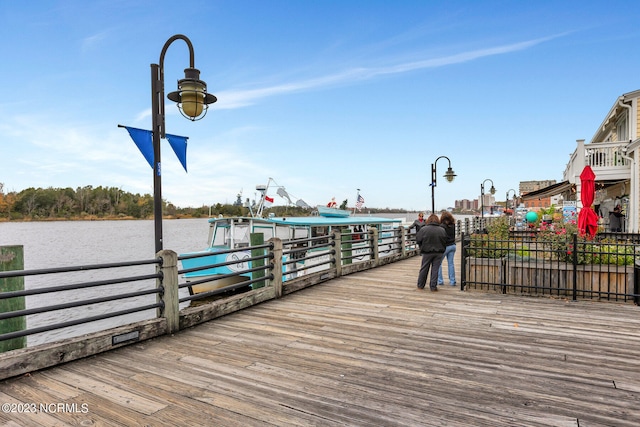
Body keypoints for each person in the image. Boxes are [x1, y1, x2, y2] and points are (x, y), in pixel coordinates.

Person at [415, 214, 447, 292]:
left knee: (424, 268)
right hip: (439, 252)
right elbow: (445, 240)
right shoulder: (442, 230)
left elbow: (418, 240)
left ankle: (420, 285)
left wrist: (422, 246)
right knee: (435, 269)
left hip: (426, 252)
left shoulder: (423, 229)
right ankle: (433, 286)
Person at [437, 211, 457, 286]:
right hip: (453, 245)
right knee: (451, 264)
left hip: (445, 246)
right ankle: (452, 281)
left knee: (438, 263)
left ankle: (440, 281)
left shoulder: (442, 226)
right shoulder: (453, 225)